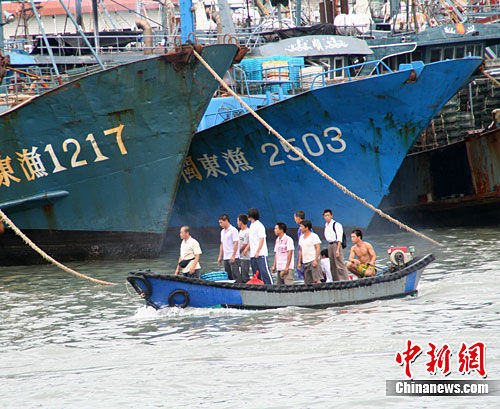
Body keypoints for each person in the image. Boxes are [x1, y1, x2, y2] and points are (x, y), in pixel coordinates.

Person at [244, 208, 273, 284]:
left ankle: (270, 286)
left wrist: (258, 251)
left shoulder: (259, 226)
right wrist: (246, 249)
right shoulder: (252, 226)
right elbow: (252, 240)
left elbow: (262, 239)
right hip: (253, 254)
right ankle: (259, 286)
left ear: (250, 216)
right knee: (256, 273)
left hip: (260, 254)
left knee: (264, 272)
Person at [323, 209, 349, 281]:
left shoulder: (336, 225)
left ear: (331, 216)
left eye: (328, 215)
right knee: (333, 264)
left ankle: (344, 279)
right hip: (330, 245)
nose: (327, 217)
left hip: (336, 244)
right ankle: (336, 280)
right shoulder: (326, 225)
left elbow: (339, 238)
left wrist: (337, 249)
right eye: (325, 216)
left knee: (339, 263)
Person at [297, 220, 323, 284]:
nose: (300, 228)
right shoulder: (301, 238)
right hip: (305, 262)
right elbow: (300, 250)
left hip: (313, 260)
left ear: (306, 227)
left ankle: (322, 292)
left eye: (301, 226)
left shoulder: (314, 236)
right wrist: (299, 262)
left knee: (317, 280)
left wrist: (316, 260)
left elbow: (318, 248)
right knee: (308, 282)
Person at [217, 214, 242, 282]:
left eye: (221, 222)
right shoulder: (222, 232)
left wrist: (233, 255)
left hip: (233, 257)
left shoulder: (233, 230)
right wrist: (220, 256)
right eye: (219, 223)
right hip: (226, 257)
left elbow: (236, 243)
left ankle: (240, 288)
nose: (220, 224)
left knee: (236, 275)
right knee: (228, 276)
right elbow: (222, 244)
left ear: (226, 221)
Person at [237, 214, 251, 283]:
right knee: (240, 275)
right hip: (240, 257)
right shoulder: (240, 231)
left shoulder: (248, 232)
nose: (237, 223)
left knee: (245, 276)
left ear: (241, 222)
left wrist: (238, 251)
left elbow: (245, 244)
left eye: (237, 221)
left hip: (245, 257)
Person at [294, 210, 306, 280]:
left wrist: (300, 259)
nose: (295, 220)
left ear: (298, 218)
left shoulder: (304, 229)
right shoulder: (300, 229)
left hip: (303, 253)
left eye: (295, 218)